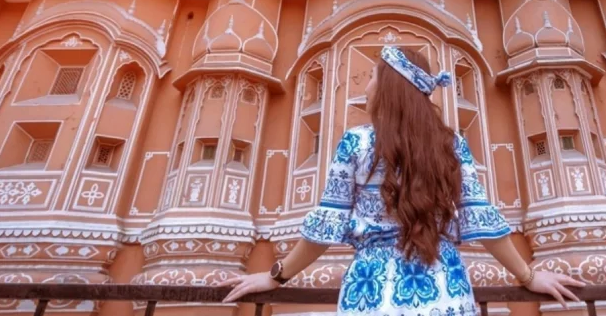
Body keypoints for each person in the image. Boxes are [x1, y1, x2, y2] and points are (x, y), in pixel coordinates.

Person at [218, 46, 584, 313]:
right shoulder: (451, 145)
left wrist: (275, 276)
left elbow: (327, 227)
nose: (365, 85)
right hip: (445, 292)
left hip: (374, 295)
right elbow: (480, 219)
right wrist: (527, 274)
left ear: (389, 87)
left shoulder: (357, 144)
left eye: (373, 76)